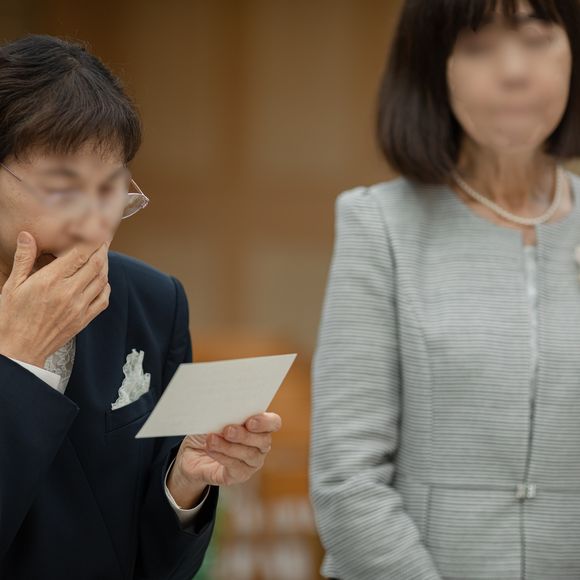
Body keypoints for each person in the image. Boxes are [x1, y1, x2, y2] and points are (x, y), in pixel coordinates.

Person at [309, 1, 580, 578]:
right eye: (478, 46)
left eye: (536, 38)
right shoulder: (378, 225)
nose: (514, 71)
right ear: (433, 66)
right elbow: (346, 477)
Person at [0, 34, 282, 579]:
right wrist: (17, 363)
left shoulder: (152, 301)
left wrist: (184, 483)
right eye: (63, 191)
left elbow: (159, 565)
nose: (92, 223)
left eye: (110, 190)